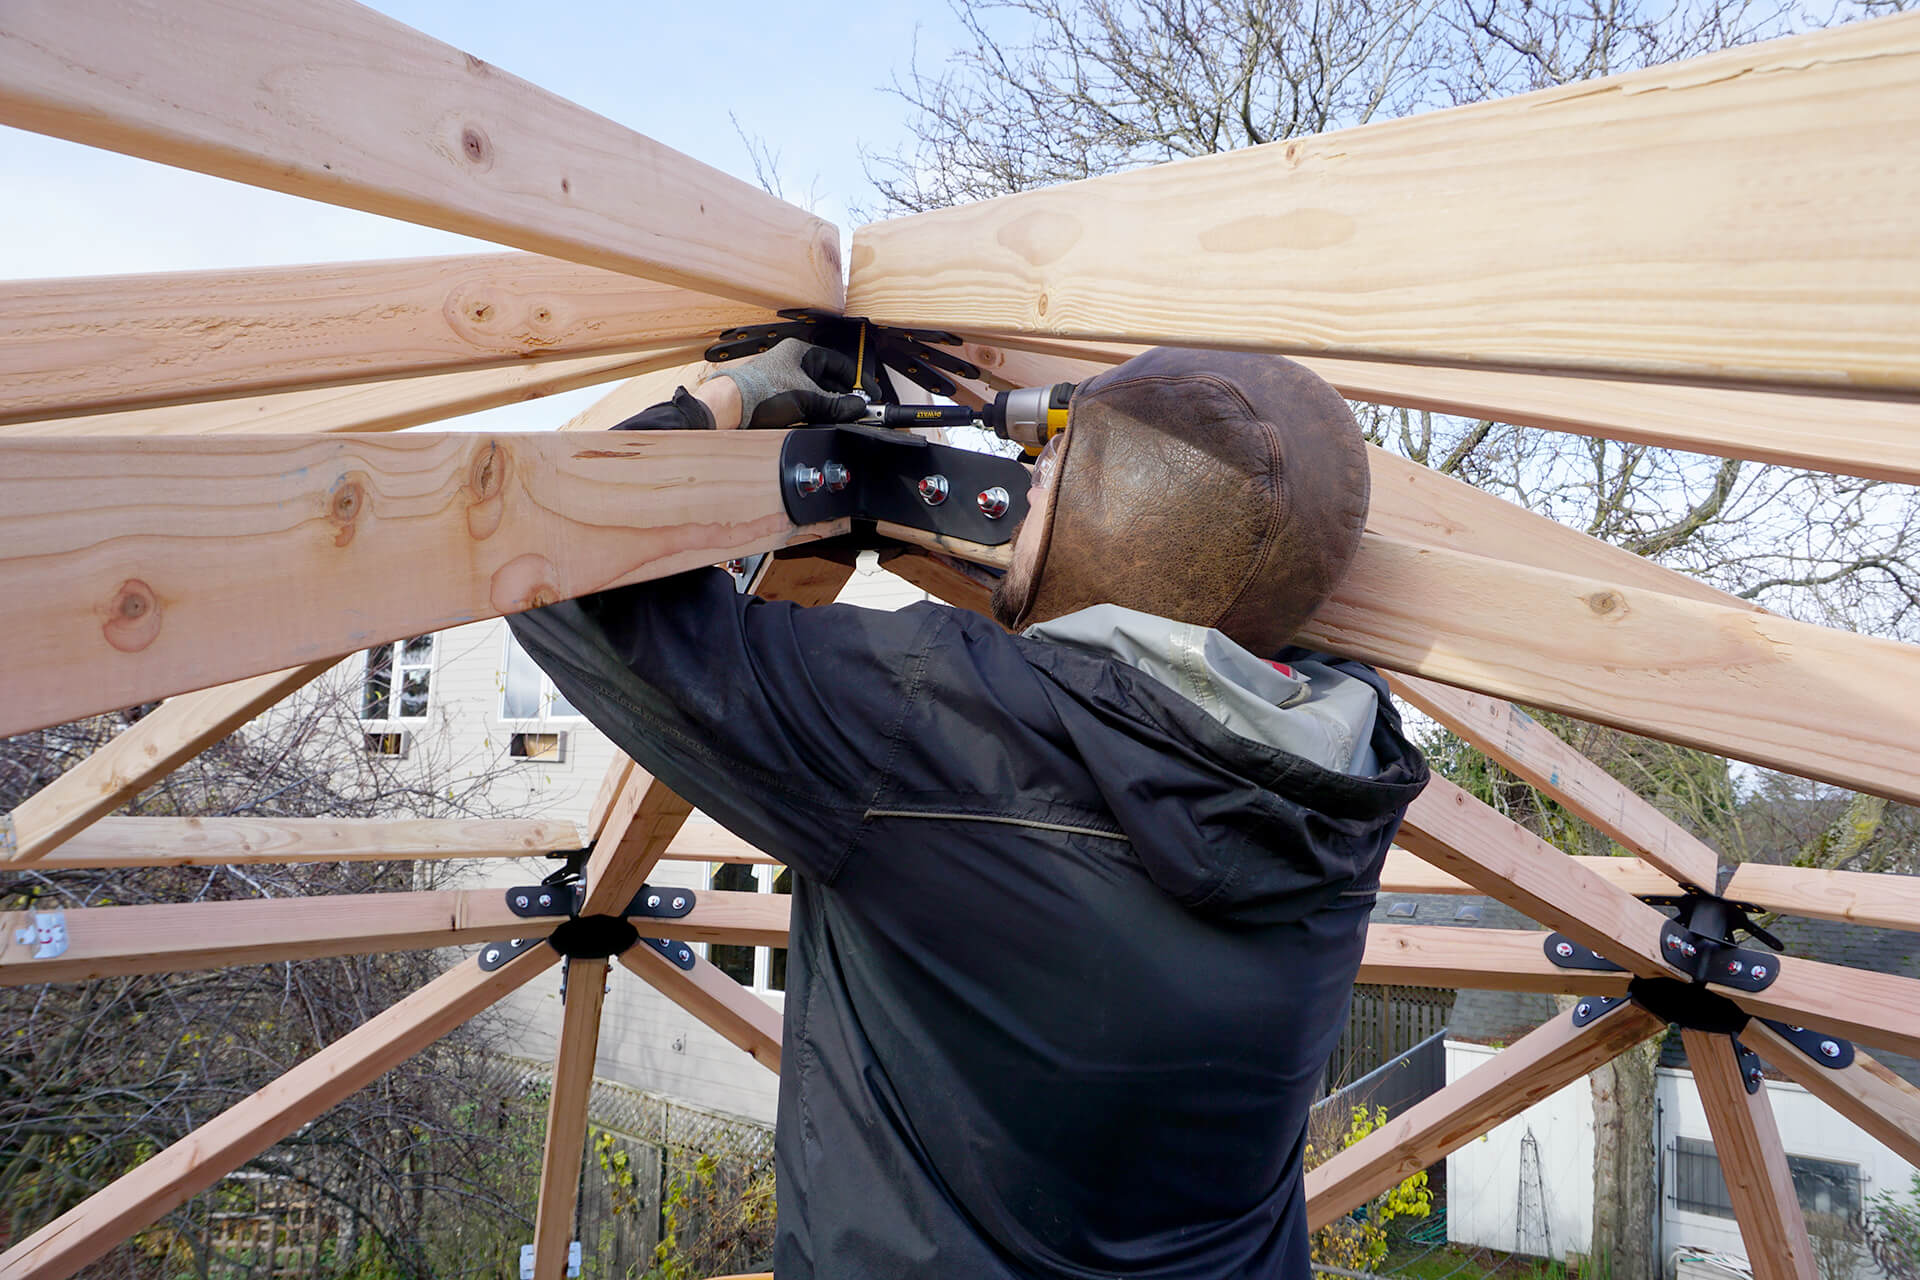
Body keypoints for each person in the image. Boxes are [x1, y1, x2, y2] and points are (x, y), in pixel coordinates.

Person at [508, 340, 1430, 1279]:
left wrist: (727, 400)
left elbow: (556, 573)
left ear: (1105, 518)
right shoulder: (1350, 783)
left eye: (1056, 465)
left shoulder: (935, 719)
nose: (1030, 482)